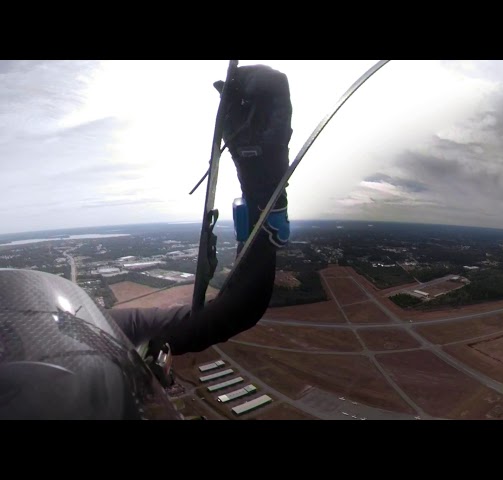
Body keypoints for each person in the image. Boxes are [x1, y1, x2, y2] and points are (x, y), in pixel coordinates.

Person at [0, 64, 292, 419]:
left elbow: (229, 312)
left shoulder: (77, 330)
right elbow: (232, 313)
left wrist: (260, 182)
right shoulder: (77, 332)